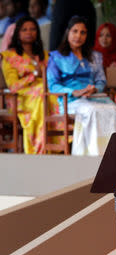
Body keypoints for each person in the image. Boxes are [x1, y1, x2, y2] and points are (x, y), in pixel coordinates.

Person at [47, 16, 116, 156]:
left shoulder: (94, 56)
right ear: (68, 32)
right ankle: (92, 155)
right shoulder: (56, 57)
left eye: (83, 32)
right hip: (70, 101)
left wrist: (94, 89)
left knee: (112, 110)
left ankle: (109, 155)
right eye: (75, 31)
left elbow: (101, 80)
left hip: (93, 97)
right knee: (91, 111)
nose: (78, 36)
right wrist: (75, 92)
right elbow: (53, 85)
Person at [1, 16, 59, 153]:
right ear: (17, 33)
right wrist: (34, 76)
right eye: (24, 29)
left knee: (52, 95)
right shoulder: (8, 56)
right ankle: (39, 149)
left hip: (45, 94)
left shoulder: (45, 55)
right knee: (42, 96)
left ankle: (55, 147)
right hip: (20, 98)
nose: (29, 32)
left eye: (33, 29)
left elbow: (53, 78)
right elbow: (13, 86)